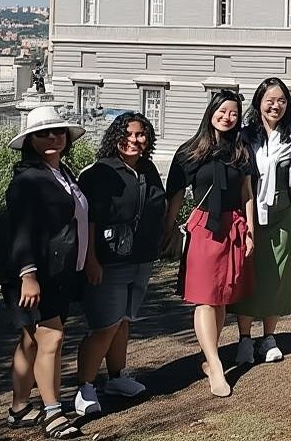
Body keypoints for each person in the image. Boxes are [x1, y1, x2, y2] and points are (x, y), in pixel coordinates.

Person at [0, 106, 89, 438]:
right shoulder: (27, 180)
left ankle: (19, 408)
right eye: (43, 134)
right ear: (30, 141)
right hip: (34, 274)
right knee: (52, 340)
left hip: (59, 272)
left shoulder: (63, 174)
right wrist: (28, 274)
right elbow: (19, 231)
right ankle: (53, 414)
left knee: (31, 342)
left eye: (58, 132)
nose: (53, 137)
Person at [73, 112, 167, 418]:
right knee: (104, 326)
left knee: (123, 320)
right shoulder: (99, 173)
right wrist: (91, 260)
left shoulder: (148, 169)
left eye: (141, 135)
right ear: (114, 137)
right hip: (109, 262)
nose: (134, 140)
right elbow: (88, 220)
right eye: (127, 134)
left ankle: (116, 378)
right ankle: (85, 386)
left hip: (140, 260)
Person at [163, 90, 255, 397]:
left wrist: (251, 229)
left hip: (233, 226)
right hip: (204, 226)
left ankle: (210, 356)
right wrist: (169, 229)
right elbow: (175, 193)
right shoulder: (190, 150)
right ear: (211, 111)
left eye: (233, 113)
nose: (227, 117)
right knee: (205, 297)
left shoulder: (240, 149)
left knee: (222, 296)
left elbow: (247, 192)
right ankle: (215, 364)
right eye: (222, 111)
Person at [230, 79, 291, 366]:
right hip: (250, 214)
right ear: (259, 103)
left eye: (281, 100)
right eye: (270, 100)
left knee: (278, 275)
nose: (276, 105)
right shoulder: (244, 137)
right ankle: (245, 338)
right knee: (249, 272)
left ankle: (269, 336)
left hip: (282, 213)